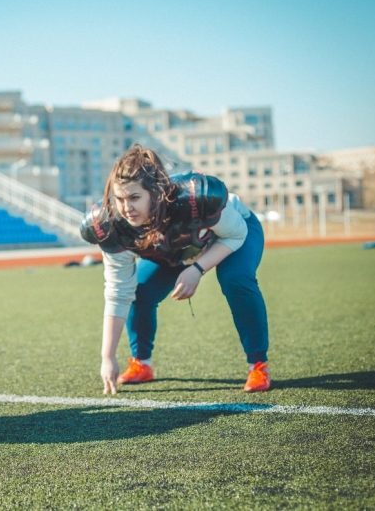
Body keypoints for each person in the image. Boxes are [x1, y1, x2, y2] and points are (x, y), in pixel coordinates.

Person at [80, 144, 271, 395]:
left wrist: (198, 269)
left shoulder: (195, 199)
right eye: (120, 198)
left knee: (235, 279)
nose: (126, 208)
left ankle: (257, 364)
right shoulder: (113, 224)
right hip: (175, 247)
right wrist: (107, 357)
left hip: (229, 234)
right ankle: (141, 363)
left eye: (135, 197)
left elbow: (235, 235)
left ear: (155, 193)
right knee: (140, 291)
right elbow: (118, 292)